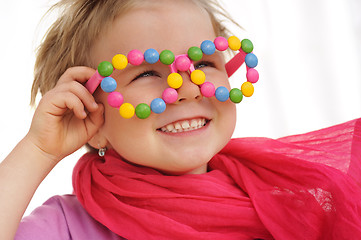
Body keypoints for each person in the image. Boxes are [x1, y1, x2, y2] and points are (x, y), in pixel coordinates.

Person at [0, 0, 360, 239]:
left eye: (204, 64)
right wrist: (38, 150)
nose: (187, 89)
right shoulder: (69, 226)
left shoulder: (291, 201)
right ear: (90, 115)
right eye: (145, 74)